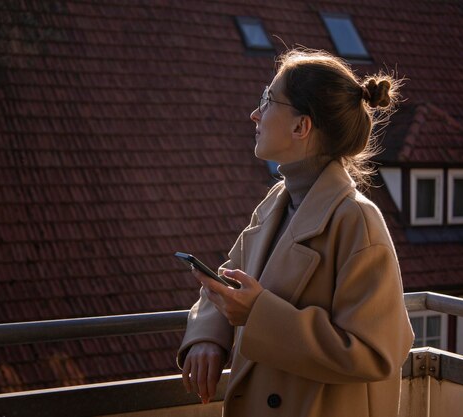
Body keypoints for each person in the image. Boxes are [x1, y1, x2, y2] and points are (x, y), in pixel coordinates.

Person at [177, 48, 414, 417]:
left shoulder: (357, 221)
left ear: (301, 127)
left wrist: (259, 315)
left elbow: (374, 354)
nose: (254, 114)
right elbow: (228, 280)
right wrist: (207, 336)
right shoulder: (278, 199)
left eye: (267, 100)